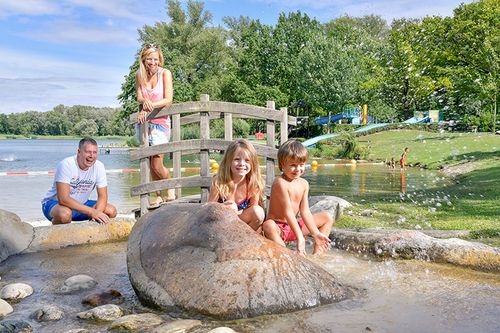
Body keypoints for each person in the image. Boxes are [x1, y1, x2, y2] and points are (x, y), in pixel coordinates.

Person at [262, 140, 333, 256]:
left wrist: (315, 233)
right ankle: (286, 255)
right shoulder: (280, 182)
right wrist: (300, 237)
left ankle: (318, 254)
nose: (298, 169)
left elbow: (305, 211)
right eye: (293, 165)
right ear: (282, 165)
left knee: (327, 217)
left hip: (293, 226)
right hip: (278, 228)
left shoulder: (304, 184)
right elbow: (287, 212)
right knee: (268, 225)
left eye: (301, 165)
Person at [41, 138, 117, 224]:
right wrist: (92, 212)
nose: (91, 156)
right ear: (79, 152)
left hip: (82, 204)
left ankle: (90, 233)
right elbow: (63, 199)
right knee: (64, 214)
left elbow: (103, 196)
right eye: (88, 152)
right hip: (56, 204)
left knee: (111, 211)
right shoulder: (66, 164)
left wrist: (97, 214)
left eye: (94, 152)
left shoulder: (99, 166)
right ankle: (56, 234)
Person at [136, 43, 175, 208]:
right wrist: (145, 102)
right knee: (151, 163)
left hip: (161, 123)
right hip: (145, 123)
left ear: (159, 59)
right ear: (144, 59)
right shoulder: (139, 74)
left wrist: (151, 104)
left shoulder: (165, 73)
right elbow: (139, 96)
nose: (152, 62)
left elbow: (168, 100)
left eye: (155, 59)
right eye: (149, 59)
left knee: (157, 164)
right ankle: (159, 195)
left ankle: (170, 187)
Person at [208, 139, 265, 232]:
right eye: (237, 159)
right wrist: (224, 208)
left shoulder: (253, 184)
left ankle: (245, 240)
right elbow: (209, 209)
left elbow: (254, 214)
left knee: (258, 212)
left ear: (253, 164)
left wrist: (237, 212)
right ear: (228, 161)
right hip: (223, 222)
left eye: (247, 160)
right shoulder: (219, 182)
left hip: (243, 224)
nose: (242, 164)